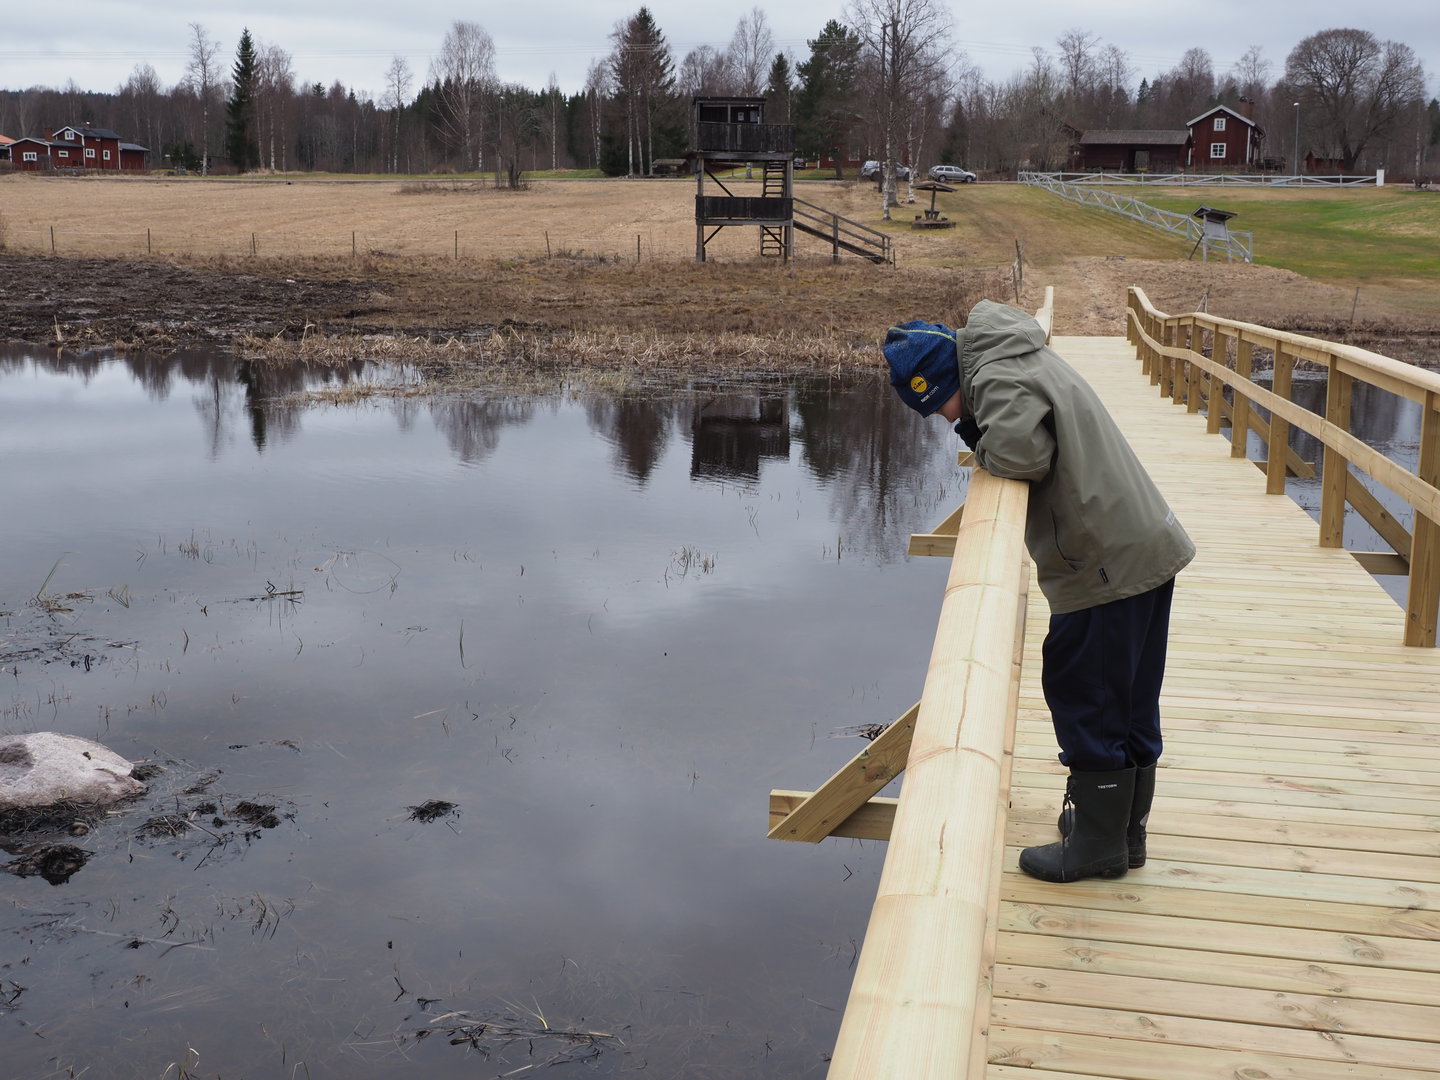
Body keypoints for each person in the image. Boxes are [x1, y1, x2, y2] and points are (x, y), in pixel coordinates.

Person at [882, 299, 1195, 884]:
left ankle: (1100, 848)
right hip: (1141, 543)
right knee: (1128, 696)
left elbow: (1020, 455)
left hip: (1103, 561)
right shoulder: (1016, 353)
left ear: (945, 380)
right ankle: (1122, 833)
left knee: (1087, 692)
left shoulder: (994, 376)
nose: (945, 418)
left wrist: (975, 429)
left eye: (938, 406)